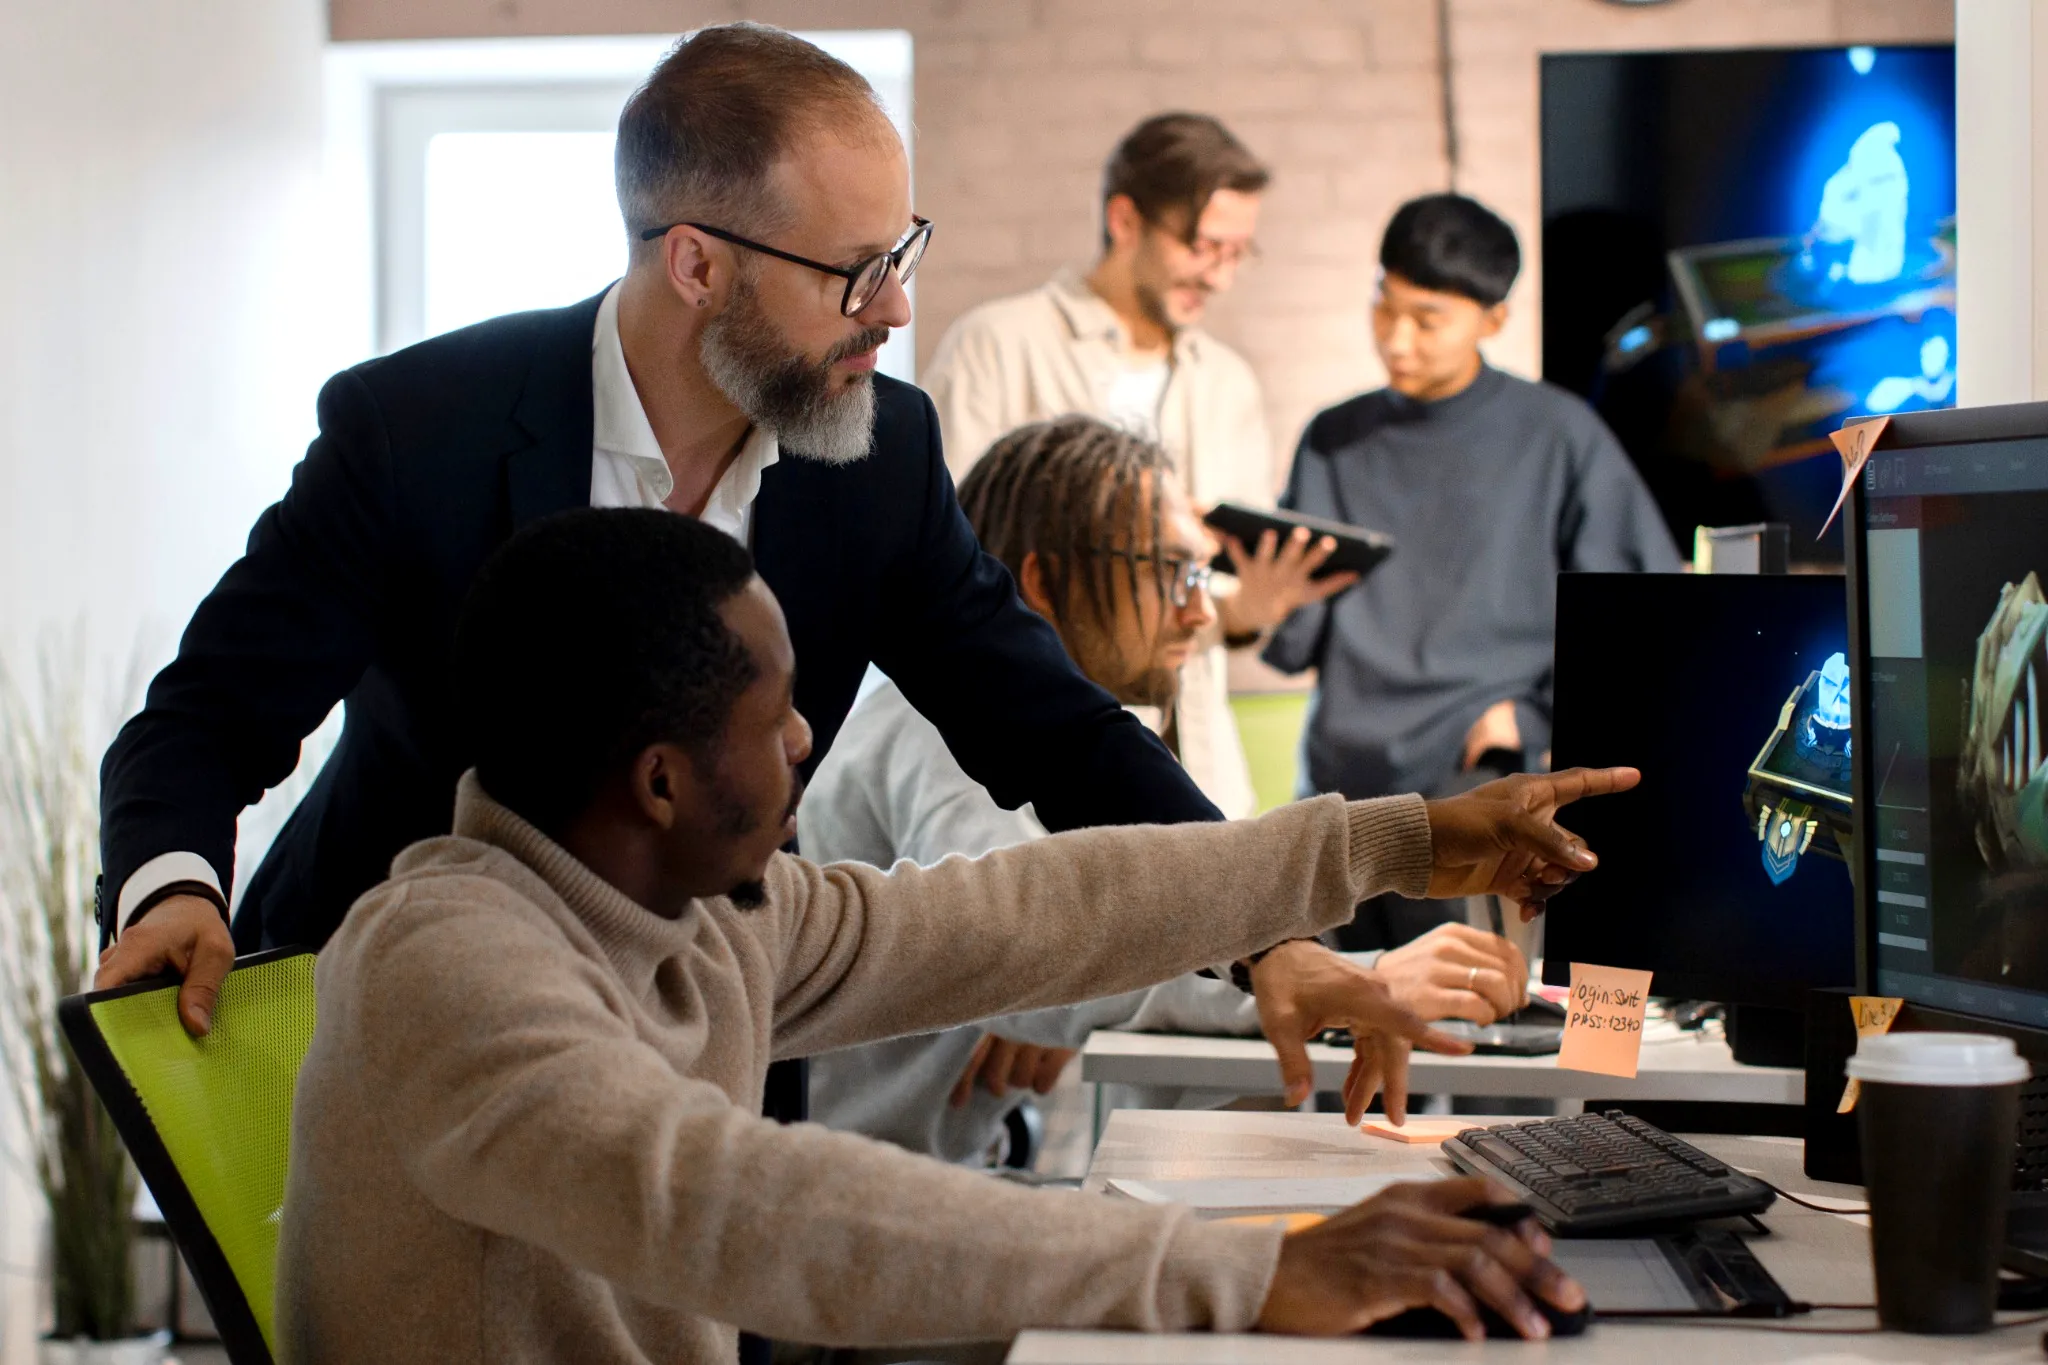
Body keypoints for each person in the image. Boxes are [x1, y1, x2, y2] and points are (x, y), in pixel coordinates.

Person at [94, 27, 1346, 1082]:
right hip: (384, 1028)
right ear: (694, 263)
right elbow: (204, 720)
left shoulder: (882, 455)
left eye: (901, 252)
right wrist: (173, 890)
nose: (896, 309)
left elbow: (1054, 731)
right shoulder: (417, 427)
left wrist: (1263, 932)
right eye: (855, 273)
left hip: (707, 1032)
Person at [278, 505, 1625, 1362]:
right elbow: (728, 1202)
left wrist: (1398, 839)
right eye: (774, 714)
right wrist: (1247, 1270)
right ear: (662, 783)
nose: (806, 738)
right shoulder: (449, 962)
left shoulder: (703, 913)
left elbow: (1025, 914)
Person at [800, 416, 1530, 1165]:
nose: (1201, 611)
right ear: (1043, 580)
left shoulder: (1068, 755)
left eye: (1202, 575)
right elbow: (1020, 946)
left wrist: (1068, 1001)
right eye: (1172, 570)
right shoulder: (945, 733)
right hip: (858, 1184)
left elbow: (1079, 940)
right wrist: (1355, 979)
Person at [1263, 192, 1681, 950]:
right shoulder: (1332, 439)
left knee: (1466, 1012)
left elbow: (1640, 614)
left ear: (1494, 319)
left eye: (1427, 320)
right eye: (1384, 307)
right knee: (1335, 1011)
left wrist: (1533, 718)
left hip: (1473, 790)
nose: (1397, 339)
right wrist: (1257, 599)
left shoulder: (1558, 436)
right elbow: (1294, 641)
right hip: (1336, 792)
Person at [922, 112, 1352, 818]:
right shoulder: (999, 345)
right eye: (1203, 246)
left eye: (1238, 253)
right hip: (1028, 744)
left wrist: (1252, 607)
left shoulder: (1227, 382)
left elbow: (1209, 598)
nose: (1220, 275)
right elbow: (950, 557)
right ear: (1125, 220)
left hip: (1195, 751)